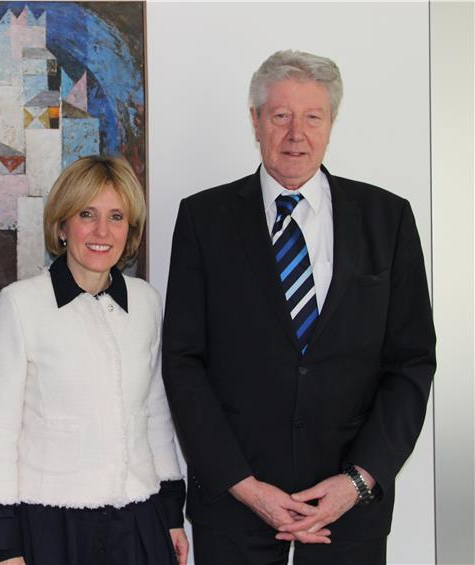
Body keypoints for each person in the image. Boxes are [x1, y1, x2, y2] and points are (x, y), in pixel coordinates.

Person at [162, 50, 436, 564]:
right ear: (255, 121)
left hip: (349, 512)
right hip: (235, 508)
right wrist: (244, 486)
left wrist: (358, 482)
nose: (296, 134)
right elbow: (183, 362)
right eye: (281, 116)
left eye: (313, 117)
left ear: (331, 123)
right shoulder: (203, 219)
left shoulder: (388, 219)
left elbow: (411, 364)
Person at [0, 156, 189, 565]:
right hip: (53, 527)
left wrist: (171, 515)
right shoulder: (20, 304)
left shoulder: (146, 301)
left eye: (116, 217)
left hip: (139, 522)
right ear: (61, 225)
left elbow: (155, 413)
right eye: (87, 214)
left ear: (130, 231)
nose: (102, 231)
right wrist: (3, 546)